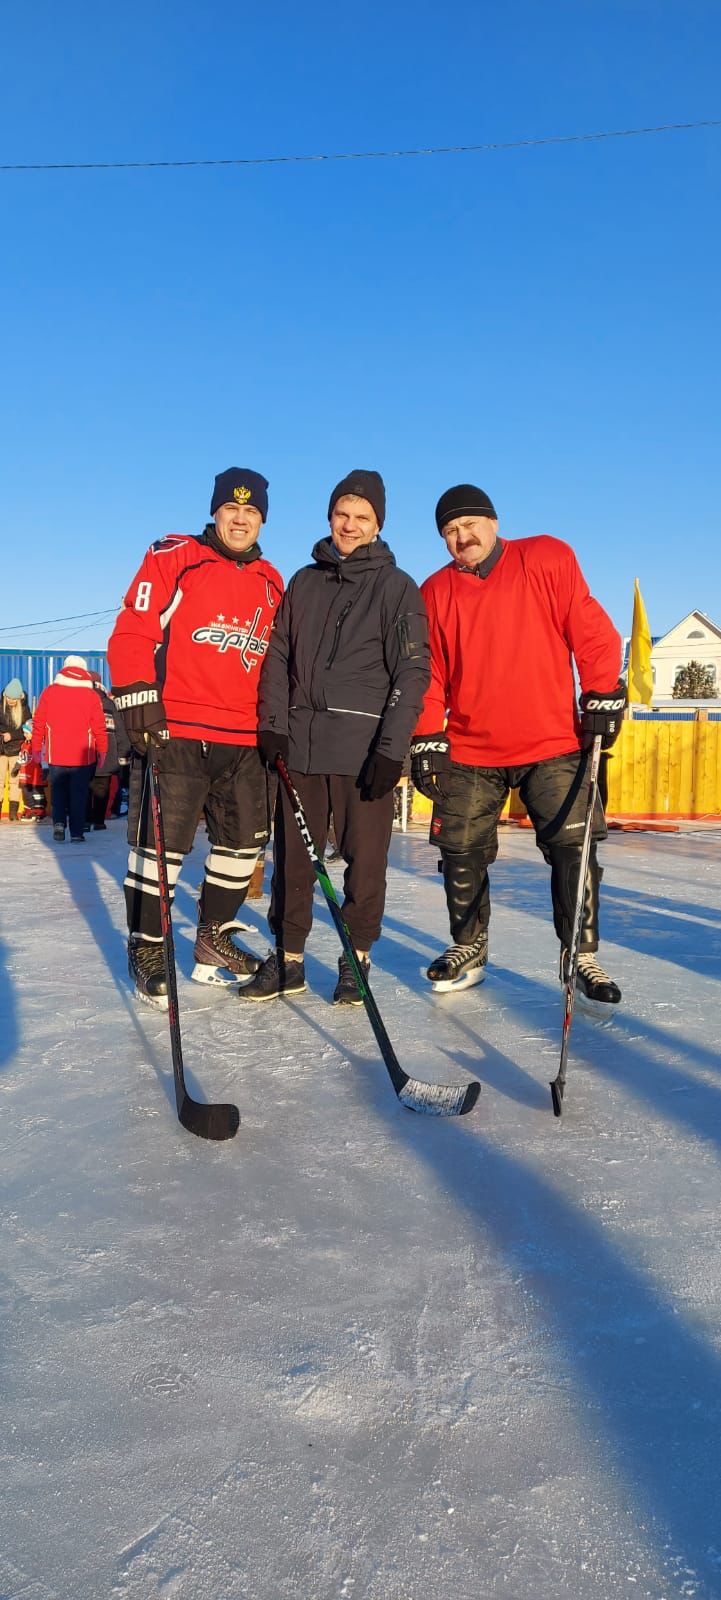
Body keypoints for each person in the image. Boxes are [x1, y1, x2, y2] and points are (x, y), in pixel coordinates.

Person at [410, 483, 626, 1002]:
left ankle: (581, 953)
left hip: (551, 741)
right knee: (459, 850)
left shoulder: (546, 557)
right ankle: (468, 947)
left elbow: (589, 628)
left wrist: (602, 692)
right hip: (469, 749)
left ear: (493, 521)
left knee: (574, 847)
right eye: (450, 531)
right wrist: (426, 737)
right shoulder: (434, 591)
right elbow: (429, 672)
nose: (463, 538)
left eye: (469, 525)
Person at [239, 468, 430, 1006]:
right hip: (300, 744)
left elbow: (413, 673)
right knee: (294, 861)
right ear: (330, 517)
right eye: (342, 514)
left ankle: (356, 958)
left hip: (363, 750)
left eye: (361, 517)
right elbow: (277, 657)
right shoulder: (304, 581)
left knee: (364, 861)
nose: (349, 525)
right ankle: (290, 959)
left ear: (377, 525)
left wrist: (392, 749)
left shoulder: (398, 588)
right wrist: (273, 725)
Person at [107, 467, 284, 1005]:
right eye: (231, 509)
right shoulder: (175, 555)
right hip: (177, 730)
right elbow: (134, 625)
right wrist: (137, 690)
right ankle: (149, 943)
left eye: (251, 511)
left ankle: (212, 939)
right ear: (215, 512)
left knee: (243, 844)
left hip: (244, 738)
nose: (240, 518)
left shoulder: (274, 581)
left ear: (261, 520)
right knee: (161, 847)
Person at [31, 656, 108, 841]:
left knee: (58, 791)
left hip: (56, 753)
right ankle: (77, 833)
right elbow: (99, 726)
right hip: (84, 755)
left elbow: (39, 722)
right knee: (79, 794)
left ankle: (58, 823)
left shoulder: (49, 692)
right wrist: (103, 749)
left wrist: (35, 747)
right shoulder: (91, 696)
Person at [86, 675, 131, 829]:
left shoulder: (82, 701)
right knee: (102, 790)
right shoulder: (110, 704)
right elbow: (120, 731)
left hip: (86, 753)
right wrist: (123, 752)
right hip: (108, 756)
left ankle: (85, 821)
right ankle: (99, 821)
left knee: (85, 788)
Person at [1, 677, 32, 821]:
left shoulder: (24, 708)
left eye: (14, 700)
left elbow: (27, 729)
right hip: (1, 748)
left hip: (16, 748)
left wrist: (11, 735)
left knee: (14, 780)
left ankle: (13, 812)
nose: (11, 702)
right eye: (9, 699)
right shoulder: (1, 705)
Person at [15, 718, 48, 820]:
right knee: (26, 793)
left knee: (37, 793)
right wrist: (16, 766)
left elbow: (43, 757)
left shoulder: (40, 745)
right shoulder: (24, 744)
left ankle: (39, 810)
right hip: (25, 775)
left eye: (27, 732)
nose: (25, 735)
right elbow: (22, 757)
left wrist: (45, 769)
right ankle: (29, 809)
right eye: (24, 733)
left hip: (36, 775)